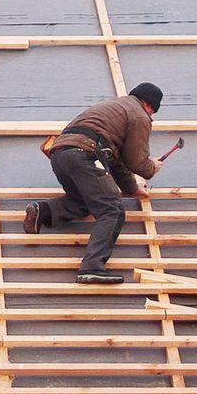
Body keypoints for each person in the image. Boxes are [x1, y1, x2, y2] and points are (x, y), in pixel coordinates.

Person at [24, 84, 168, 284]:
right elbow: (136, 160)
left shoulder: (114, 107)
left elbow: (117, 161)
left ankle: (43, 211)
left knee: (85, 201)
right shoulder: (140, 116)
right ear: (149, 105)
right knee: (112, 210)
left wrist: (132, 189)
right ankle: (92, 267)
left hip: (60, 154)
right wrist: (151, 167)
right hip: (87, 156)